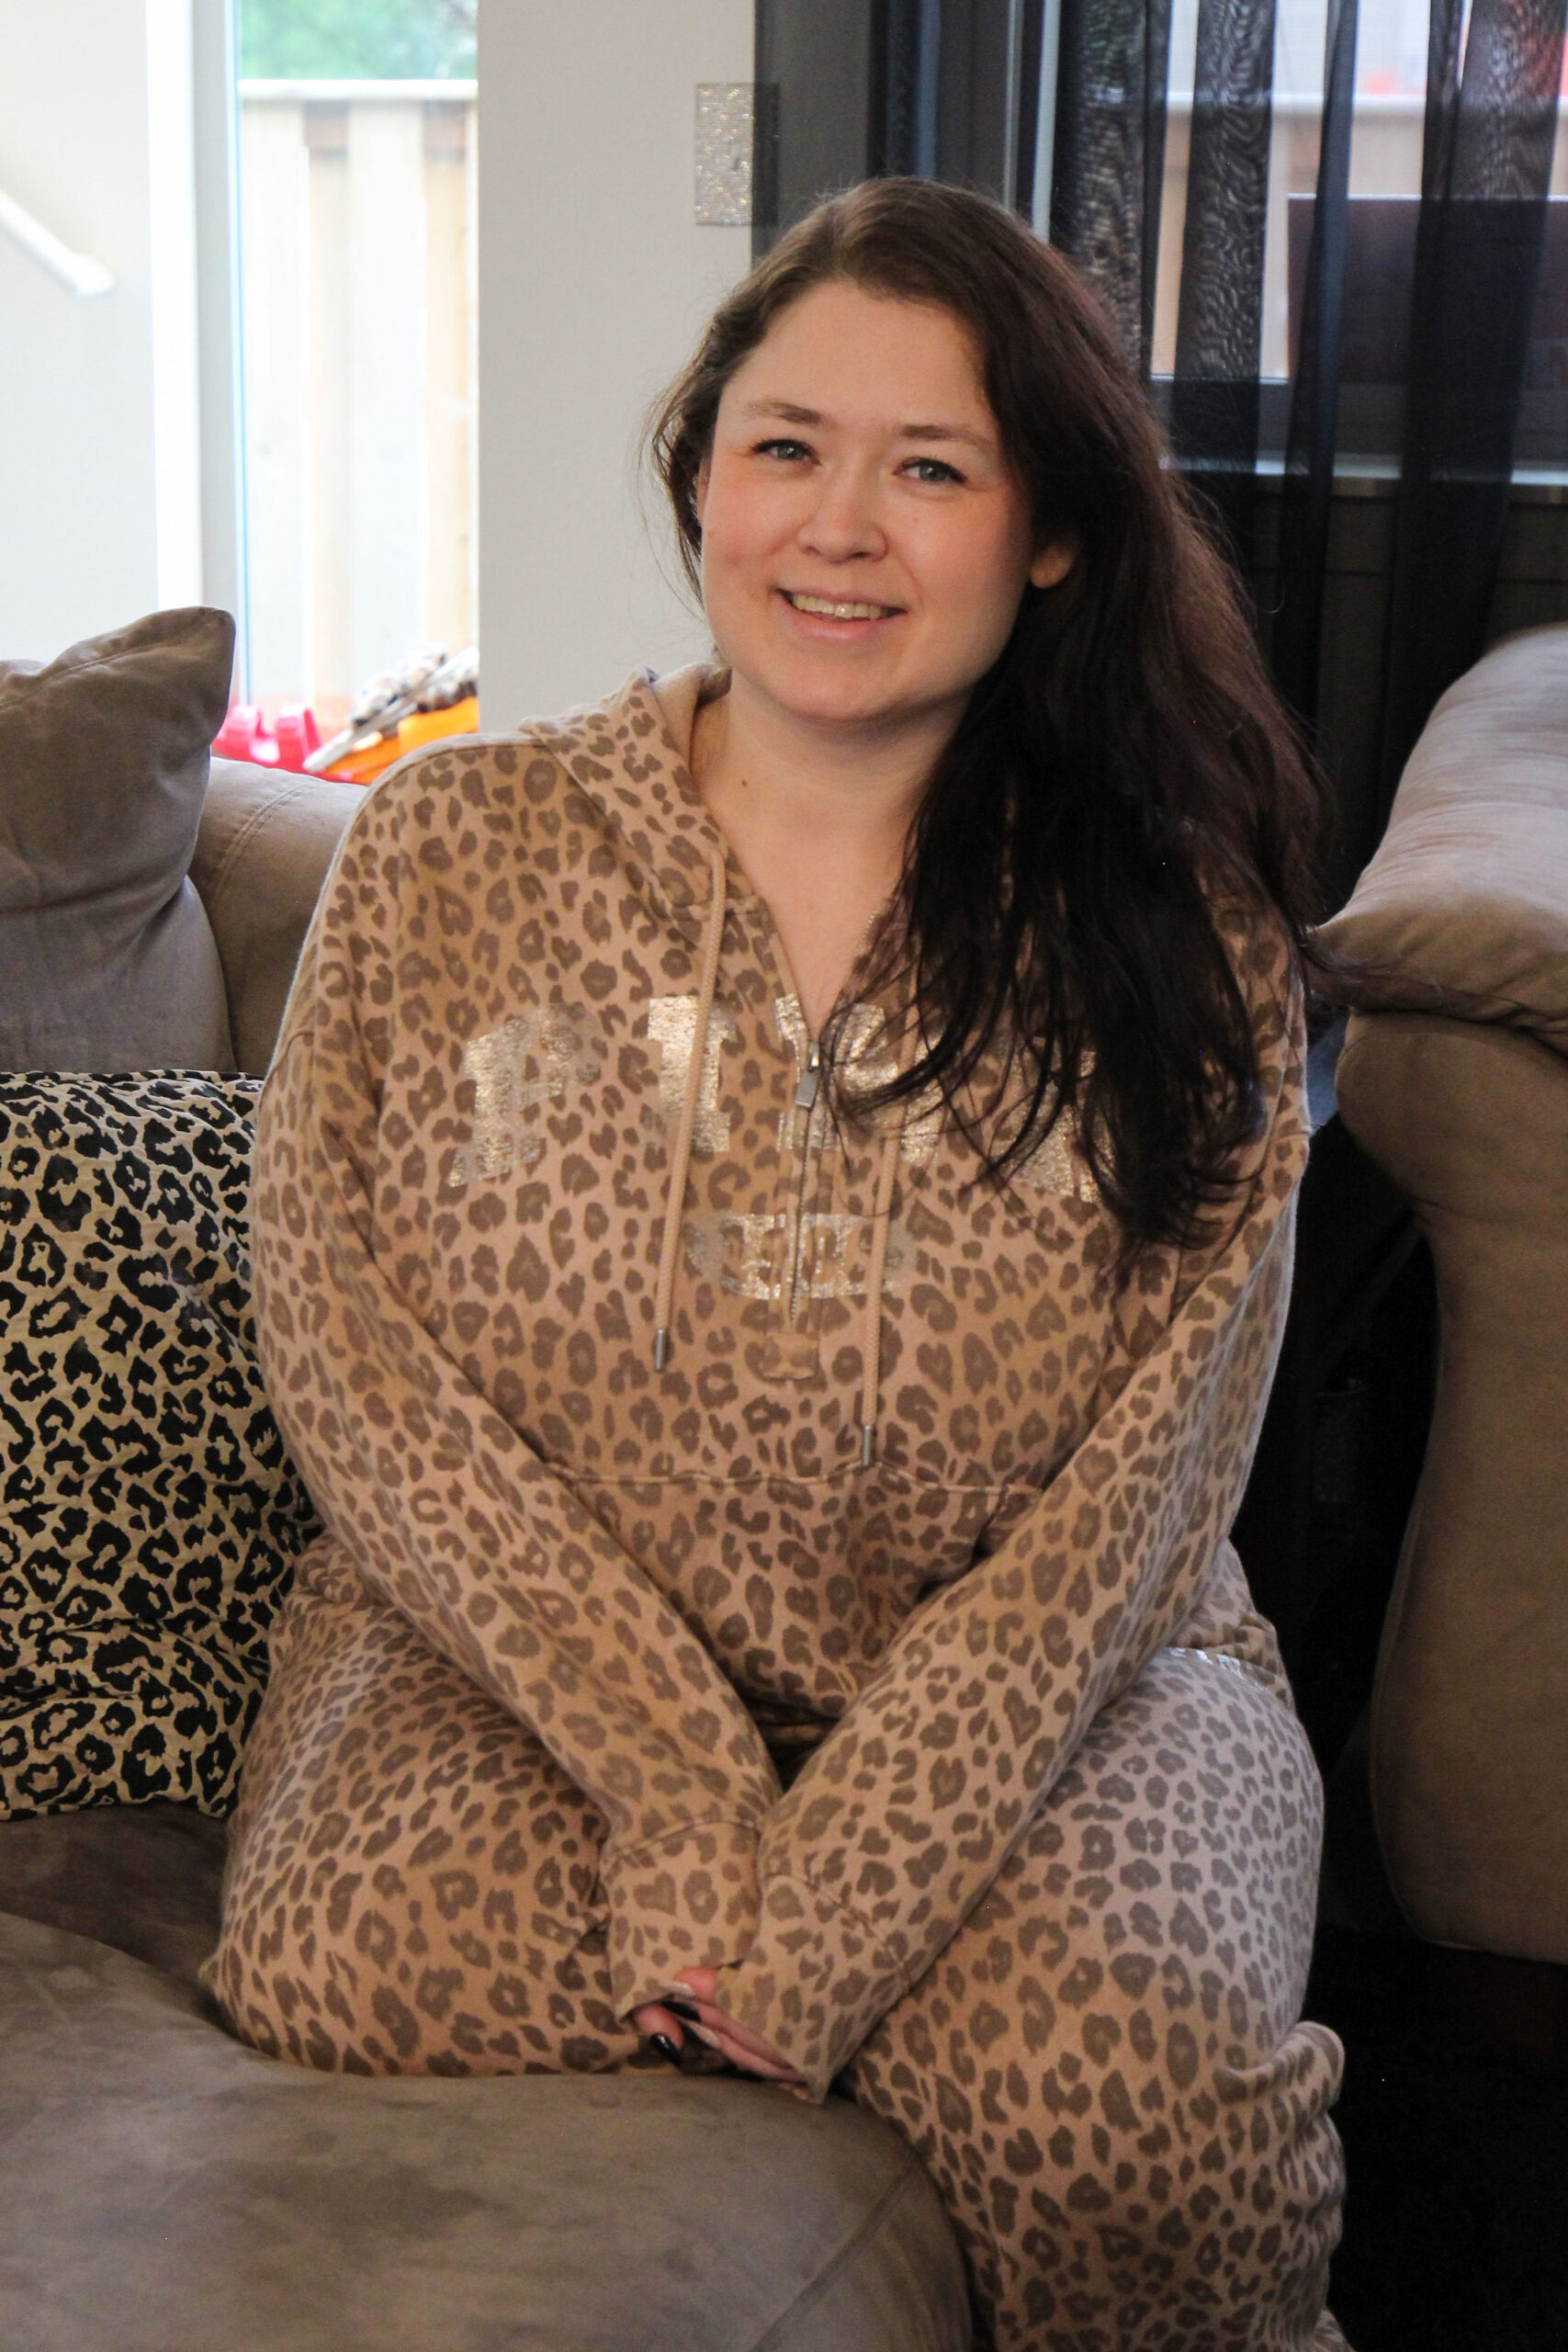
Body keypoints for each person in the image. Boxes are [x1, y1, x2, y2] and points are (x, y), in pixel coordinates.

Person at [209, 178, 1348, 2350]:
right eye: (784, 446)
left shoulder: (1182, 939)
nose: (837, 524)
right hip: (512, 1663)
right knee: (350, 1944)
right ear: (701, 473)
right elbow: (341, 1338)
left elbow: (1133, 1505)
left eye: (929, 468)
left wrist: (830, 1900)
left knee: (1131, 2098)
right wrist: (675, 1781)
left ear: (1050, 535)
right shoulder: (453, 850)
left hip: (1053, 1681)